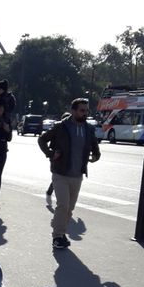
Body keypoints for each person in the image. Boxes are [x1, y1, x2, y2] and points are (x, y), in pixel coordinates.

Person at [38, 98, 100, 249]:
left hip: (77, 175)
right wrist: (51, 154)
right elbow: (42, 139)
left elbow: (95, 147)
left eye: (86, 111)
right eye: (82, 110)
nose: (85, 113)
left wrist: (96, 156)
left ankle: (59, 229)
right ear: (73, 111)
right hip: (60, 173)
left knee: (69, 209)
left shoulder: (88, 129)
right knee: (63, 205)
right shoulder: (61, 127)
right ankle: (57, 236)